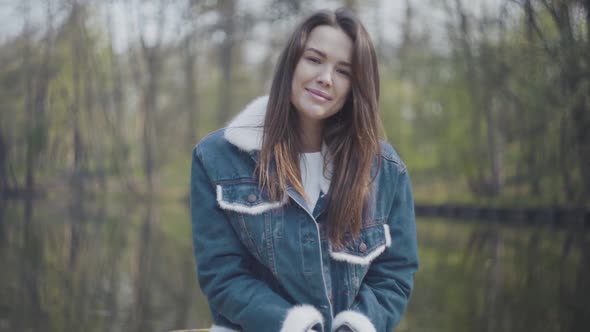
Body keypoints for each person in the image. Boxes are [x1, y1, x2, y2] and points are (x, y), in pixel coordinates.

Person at [190, 8, 418, 332]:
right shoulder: (216, 159)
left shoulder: (386, 170)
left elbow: (394, 274)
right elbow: (222, 276)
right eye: (314, 59)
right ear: (292, 63)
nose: (325, 77)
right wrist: (292, 325)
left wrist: (354, 327)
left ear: (356, 87)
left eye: (343, 71)